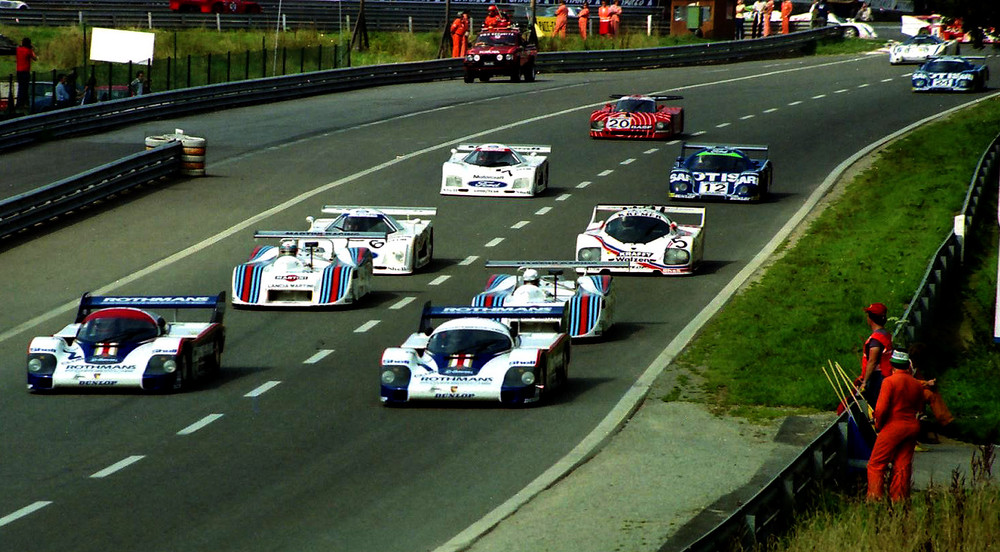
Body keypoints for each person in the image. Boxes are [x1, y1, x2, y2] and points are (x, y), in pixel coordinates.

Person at [867, 350, 926, 502]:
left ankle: (875, 499)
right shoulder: (917, 384)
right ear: (907, 366)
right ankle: (898, 499)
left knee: (876, 464)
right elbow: (920, 407)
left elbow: (880, 409)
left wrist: (878, 425)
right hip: (912, 427)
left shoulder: (889, 382)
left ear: (892, 365)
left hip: (893, 426)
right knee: (902, 465)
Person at [907, 343, 955, 441]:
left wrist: (929, 384)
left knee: (932, 392)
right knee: (930, 395)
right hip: (906, 392)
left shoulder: (915, 368)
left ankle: (946, 419)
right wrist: (925, 383)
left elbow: (918, 380)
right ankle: (946, 421)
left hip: (913, 390)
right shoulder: (907, 366)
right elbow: (908, 381)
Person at [859, 302, 893, 408]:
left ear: (871, 318)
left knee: (875, 406)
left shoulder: (876, 339)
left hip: (878, 378)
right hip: (886, 375)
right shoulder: (885, 334)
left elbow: (872, 361)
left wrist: (864, 382)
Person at [15, 37, 37, 111]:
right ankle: (23, 103)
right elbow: (35, 58)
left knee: (20, 87)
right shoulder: (28, 51)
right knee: (25, 88)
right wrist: (32, 49)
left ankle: (19, 103)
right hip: (25, 71)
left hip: (18, 71)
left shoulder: (18, 49)